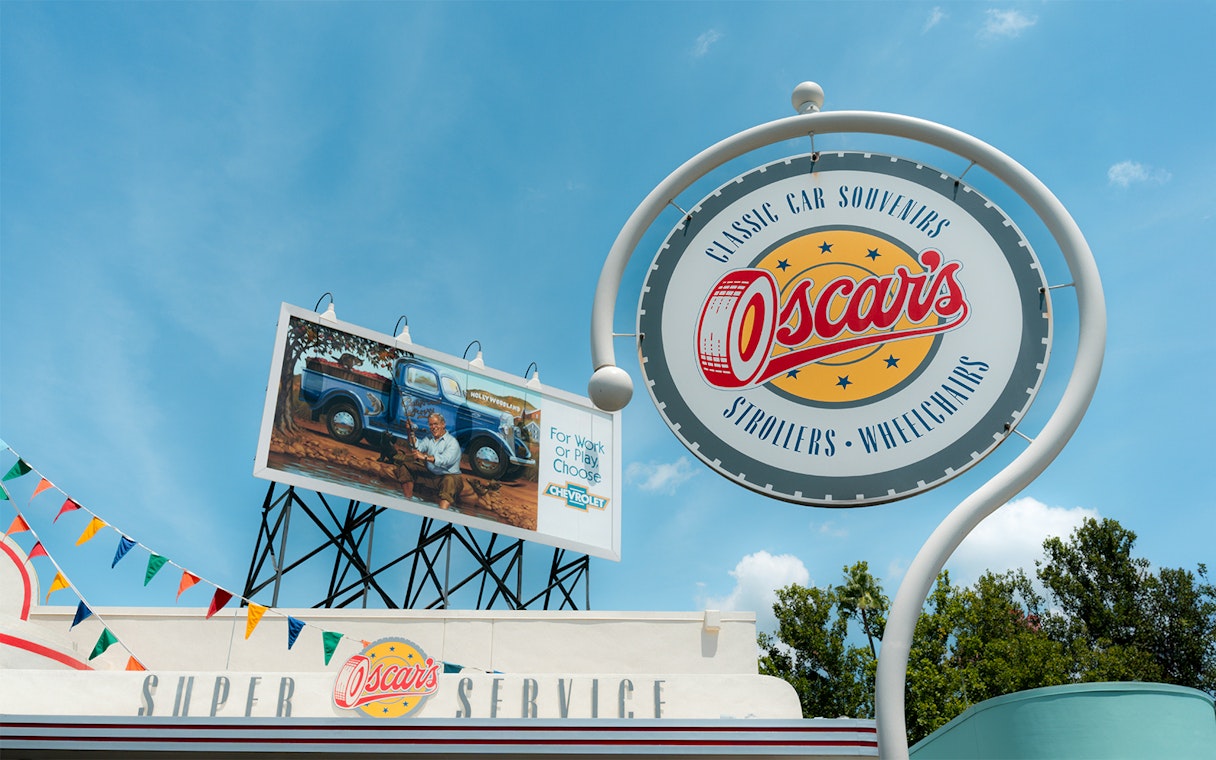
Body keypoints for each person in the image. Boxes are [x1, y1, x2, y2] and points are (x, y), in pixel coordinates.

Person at [397, 413, 464, 510]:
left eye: (436, 424)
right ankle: (408, 502)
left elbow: (444, 460)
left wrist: (424, 457)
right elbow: (416, 448)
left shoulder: (452, 442)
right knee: (406, 466)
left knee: (449, 481)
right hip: (431, 475)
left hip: (449, 476)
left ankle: (442, 513)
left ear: (443, 424)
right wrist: (409, 431)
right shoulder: (429, 438)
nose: (433, 427)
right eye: (431, 425)